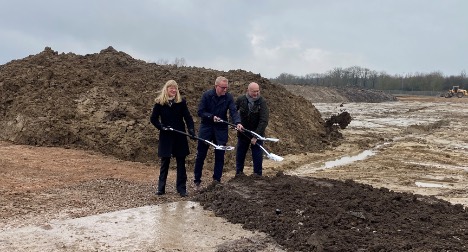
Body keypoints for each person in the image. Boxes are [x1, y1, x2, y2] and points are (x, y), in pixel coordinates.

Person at [193, 76, 243, 188]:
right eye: (223, 88)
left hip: (221, 129)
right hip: (206, 128)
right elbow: (200, 111)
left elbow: (234, 111)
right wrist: (211, 117)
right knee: (201, 155)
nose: (225, 90)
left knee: (220, 155)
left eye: (226, 88)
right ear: (216, 86)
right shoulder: (207, 95)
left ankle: (217, 180)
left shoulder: (228, 97)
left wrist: (238, 122)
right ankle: (197, 180)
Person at [150, 80, 195, 197]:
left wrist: (191, 130)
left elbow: (188, 118)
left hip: (179, 136)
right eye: (171, 88)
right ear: (166, 89)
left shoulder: (181, 102)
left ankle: (181, 189)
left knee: (181, 162)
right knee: (165, 162)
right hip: (166, 137)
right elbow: (153, 119)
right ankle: (161, 188)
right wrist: (161, 127)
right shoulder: (159, 103)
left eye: (175, 88)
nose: (174, 90)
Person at [235, 82, 269, 176]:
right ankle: (239, 174)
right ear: (248, 91)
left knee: (257, 155)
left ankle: (257, 175)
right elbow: (233, 112)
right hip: (243, 132)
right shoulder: (241, 99)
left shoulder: (262, 102)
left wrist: (256, 136)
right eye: (254, 91)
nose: (256, 93)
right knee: (240, 154)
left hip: (257, 132)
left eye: (258, 91)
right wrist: (236, 124)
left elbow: (264, 120)